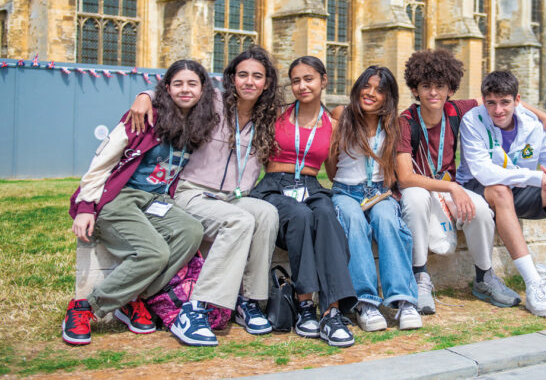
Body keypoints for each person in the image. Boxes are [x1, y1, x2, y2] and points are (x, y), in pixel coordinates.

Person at [127, 46, 281, 340]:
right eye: (243, 75)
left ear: (267, 83)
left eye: (257, 76)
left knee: (266, 213)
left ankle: (248, 301)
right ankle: (195, 308)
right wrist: (144, 94)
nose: (249, 82)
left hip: (234, 196)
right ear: (232, 78)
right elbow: (178, 90)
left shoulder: (268, 117)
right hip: (193, 191)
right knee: (239, 222)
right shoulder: (212, 103)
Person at [397, 49, 546, 314]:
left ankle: (484, 277)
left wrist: (543, 116)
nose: (433, 93)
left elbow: (497, 100)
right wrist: (453, 186)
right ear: (415, 89)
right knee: (416, 198)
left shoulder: (455, 110)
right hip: (421, 187)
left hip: (448, 190)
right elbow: (405, 178)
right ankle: (419, 278)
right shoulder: (405, 122)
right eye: (425, 86)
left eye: (439, 86)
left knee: (480, 210)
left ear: (450, 89)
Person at [63, 60, 213, 346]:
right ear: (166, 88)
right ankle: (85, 307)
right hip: (118, 197)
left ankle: (131, 299)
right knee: (153, 253)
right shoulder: (144, 117)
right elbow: (102, 161)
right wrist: (85, 207)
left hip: (155, 200)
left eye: (192, 84)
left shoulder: (199, 122)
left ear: (203, 89)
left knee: (191, 230)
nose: (185, 89)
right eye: (177, 83)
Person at [457, 70, 546, 317]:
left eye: (505, 102)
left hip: (517, 189)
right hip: (479, 191)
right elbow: (484, 173)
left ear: (517, 100)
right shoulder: (472, 121)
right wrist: (536, 177)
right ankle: (534, 284)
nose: (498, 110)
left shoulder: (533, 124)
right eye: (491, 103)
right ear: (483, 101)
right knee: (500, 190)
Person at [250, 56, 356, 347]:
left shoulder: (333, 125)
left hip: (310, 184)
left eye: (308, 79)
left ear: (324, 81)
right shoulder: (276, 115)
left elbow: (333, 171)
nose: (301, 86)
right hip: (275, 185)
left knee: (325, 213)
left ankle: (332, 311)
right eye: (295, 80)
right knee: (300, 215)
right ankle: (305, 304)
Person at [327, 66, 421, 332]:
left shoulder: (395, 125)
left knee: (387, 221)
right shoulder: (341, 116)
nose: (370, 93)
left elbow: (397, 171)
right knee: (354, 222)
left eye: (379, 90)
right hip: (345, 191)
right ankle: (366, 302)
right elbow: (332, 170)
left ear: (388, 96)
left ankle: (404, 300)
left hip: (379, 192)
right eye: (366, 86)